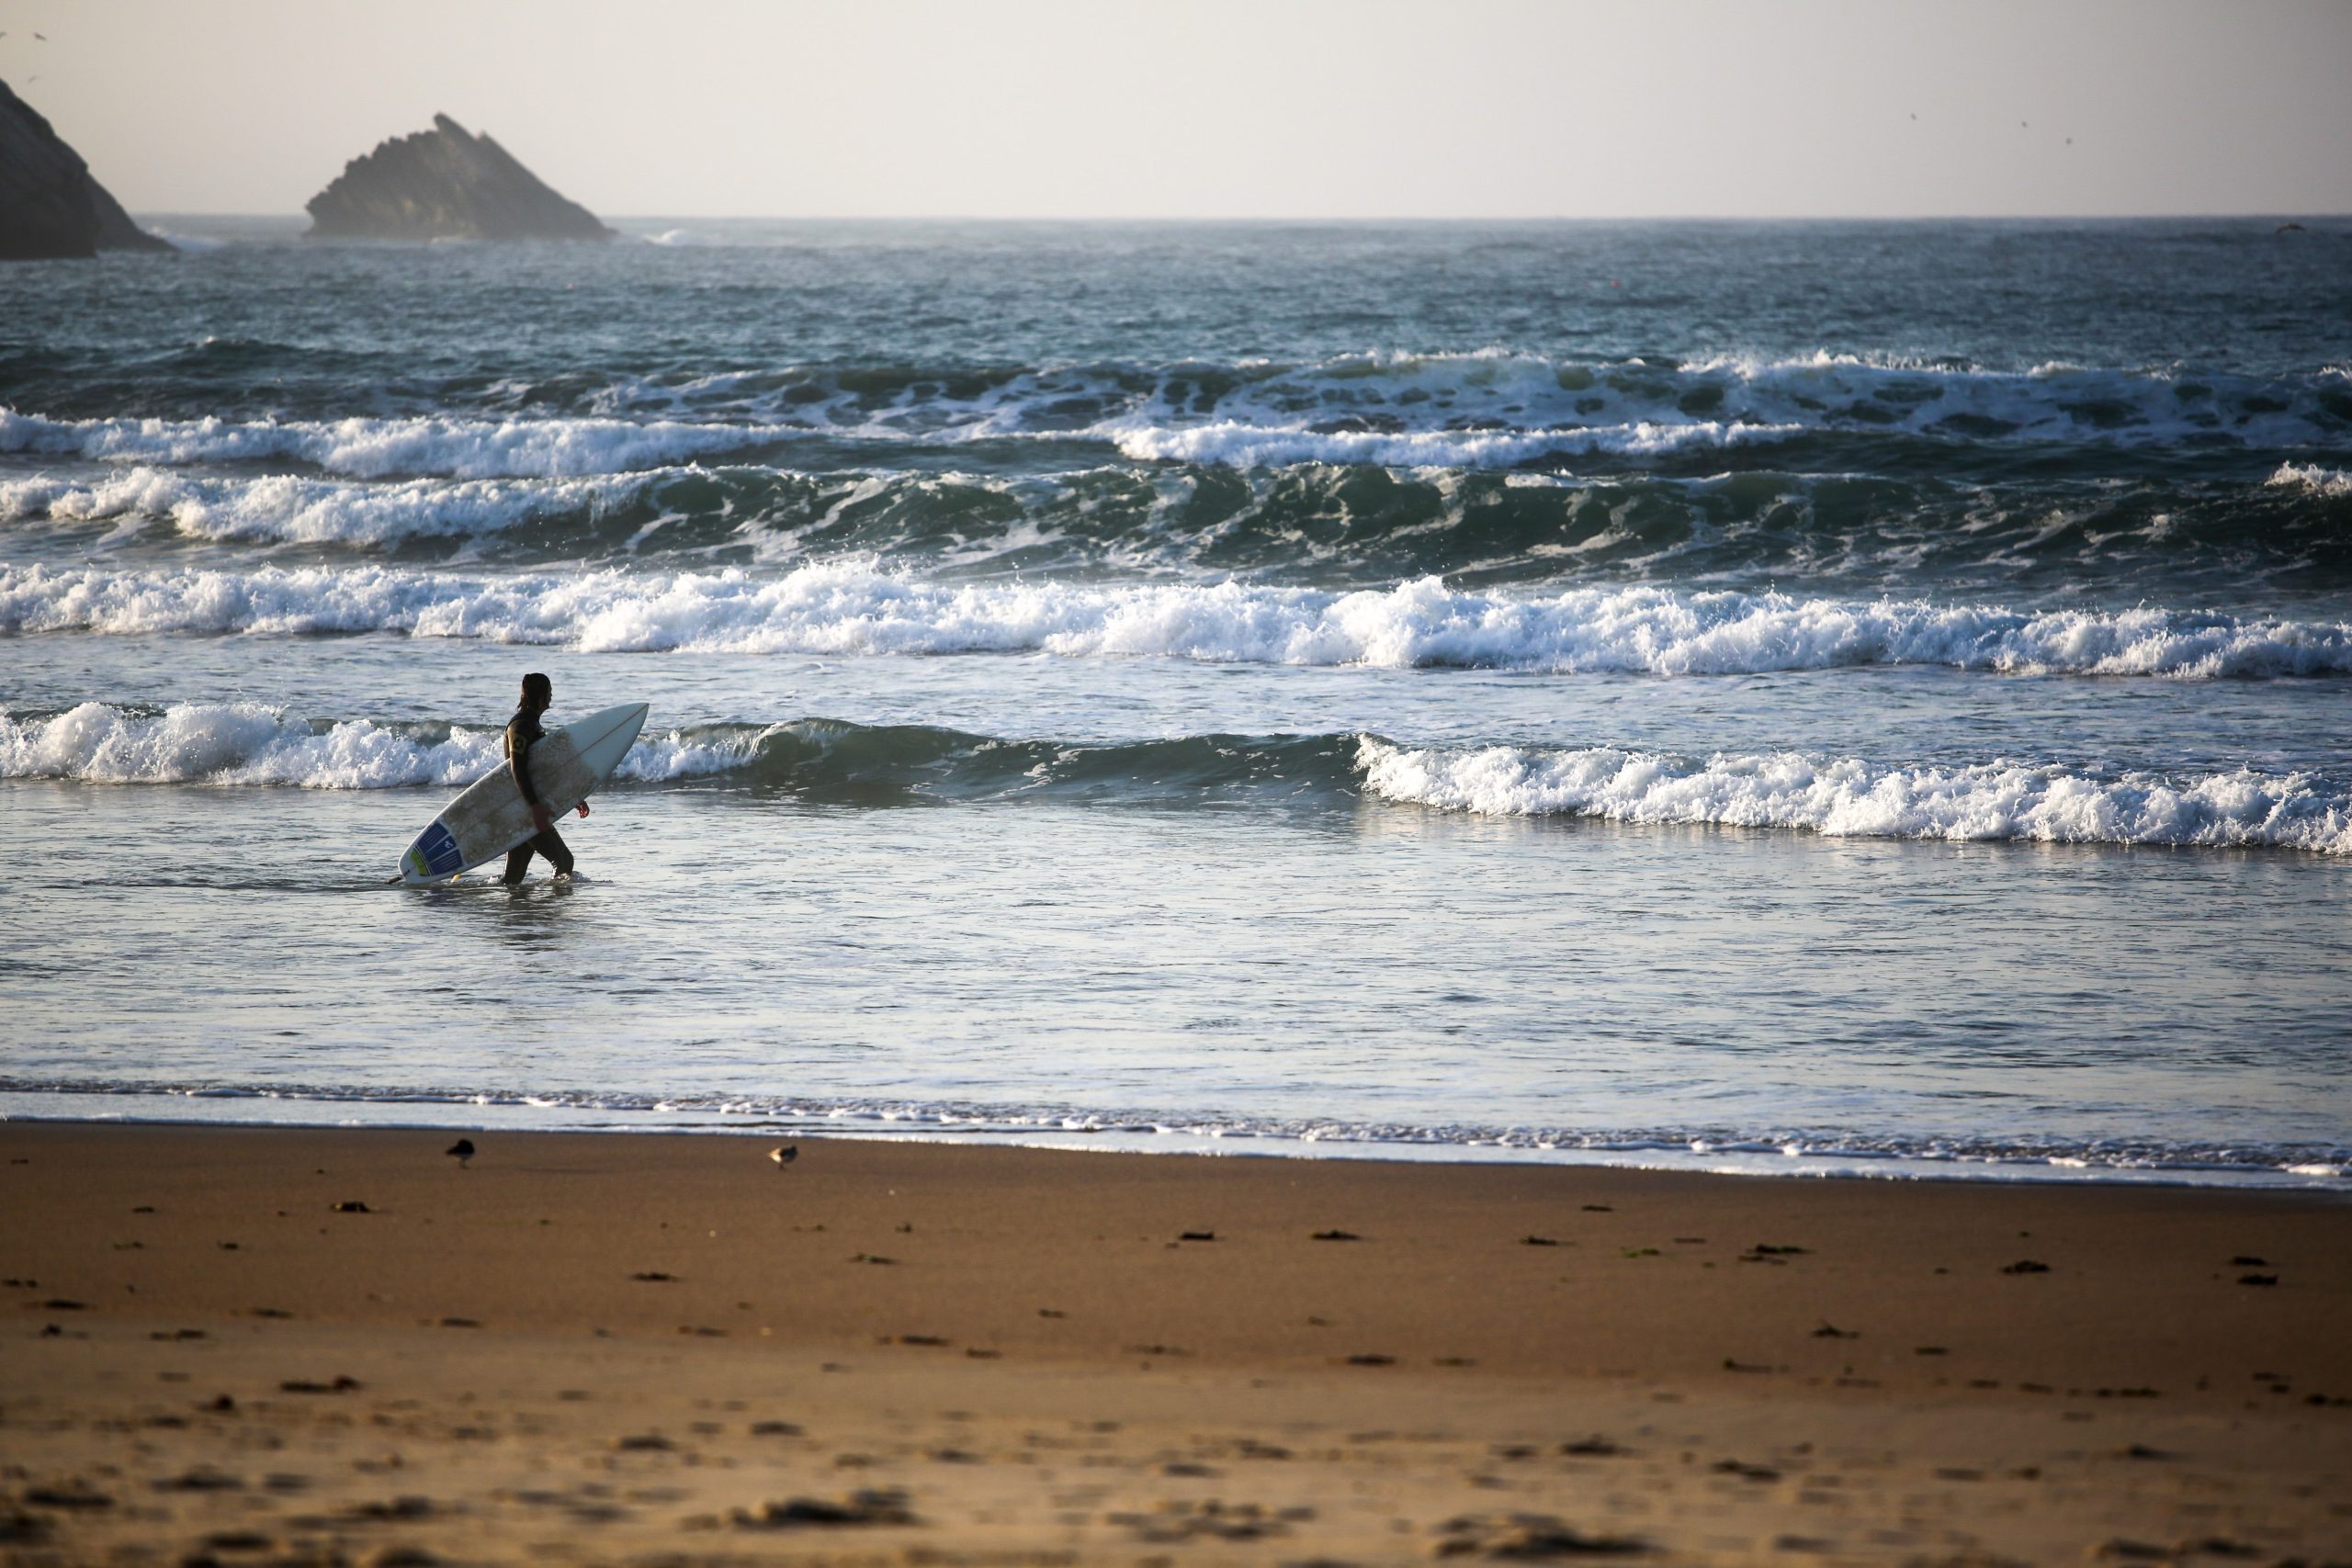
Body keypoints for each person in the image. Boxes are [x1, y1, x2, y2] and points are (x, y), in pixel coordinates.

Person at [503, 672, 589, 886]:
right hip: (526, 810)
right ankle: (551, 913)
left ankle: (515, 915)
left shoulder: (532, 724)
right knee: (564, 862)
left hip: (527, 808)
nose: (552, 696)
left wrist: (572, 796)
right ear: (541, 696)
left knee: (513, 878)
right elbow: (518, 769)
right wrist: (534, 807)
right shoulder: (520, 726)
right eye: (549, 692)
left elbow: (541, 771)